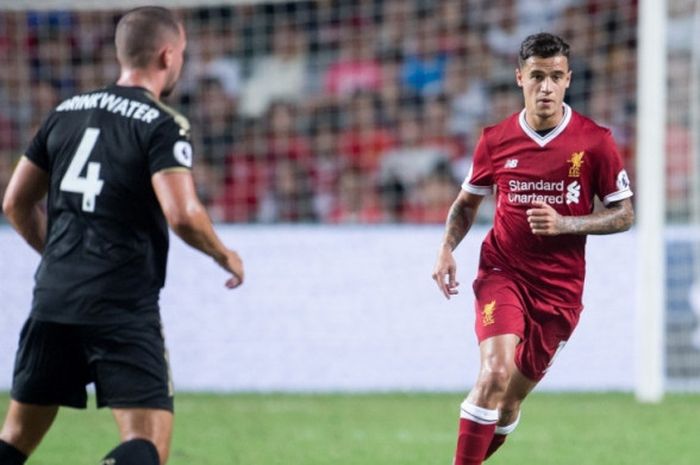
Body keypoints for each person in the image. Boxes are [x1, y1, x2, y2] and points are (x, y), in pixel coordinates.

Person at [0, 7, 244, 465]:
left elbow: (14, 201)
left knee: (14, 438)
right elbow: (183, 214)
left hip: (53, 296)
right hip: (120, 302)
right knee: (146, 443)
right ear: (168, 54)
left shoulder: (65, 112)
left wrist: (56, 254)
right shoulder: (162, 123)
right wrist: (223, 253)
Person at [431, 33, 634, 465]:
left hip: (559, 293)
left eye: (555, 77)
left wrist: (566, 224)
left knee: (508, 403)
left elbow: (624, 214)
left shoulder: (594, 142)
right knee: (494, 373)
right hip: (502, 273)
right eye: (537, 76)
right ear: (520, 77)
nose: (546, 86)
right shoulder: (496, 139)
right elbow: (467, 203)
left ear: (568, 80)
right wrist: (447, 248)